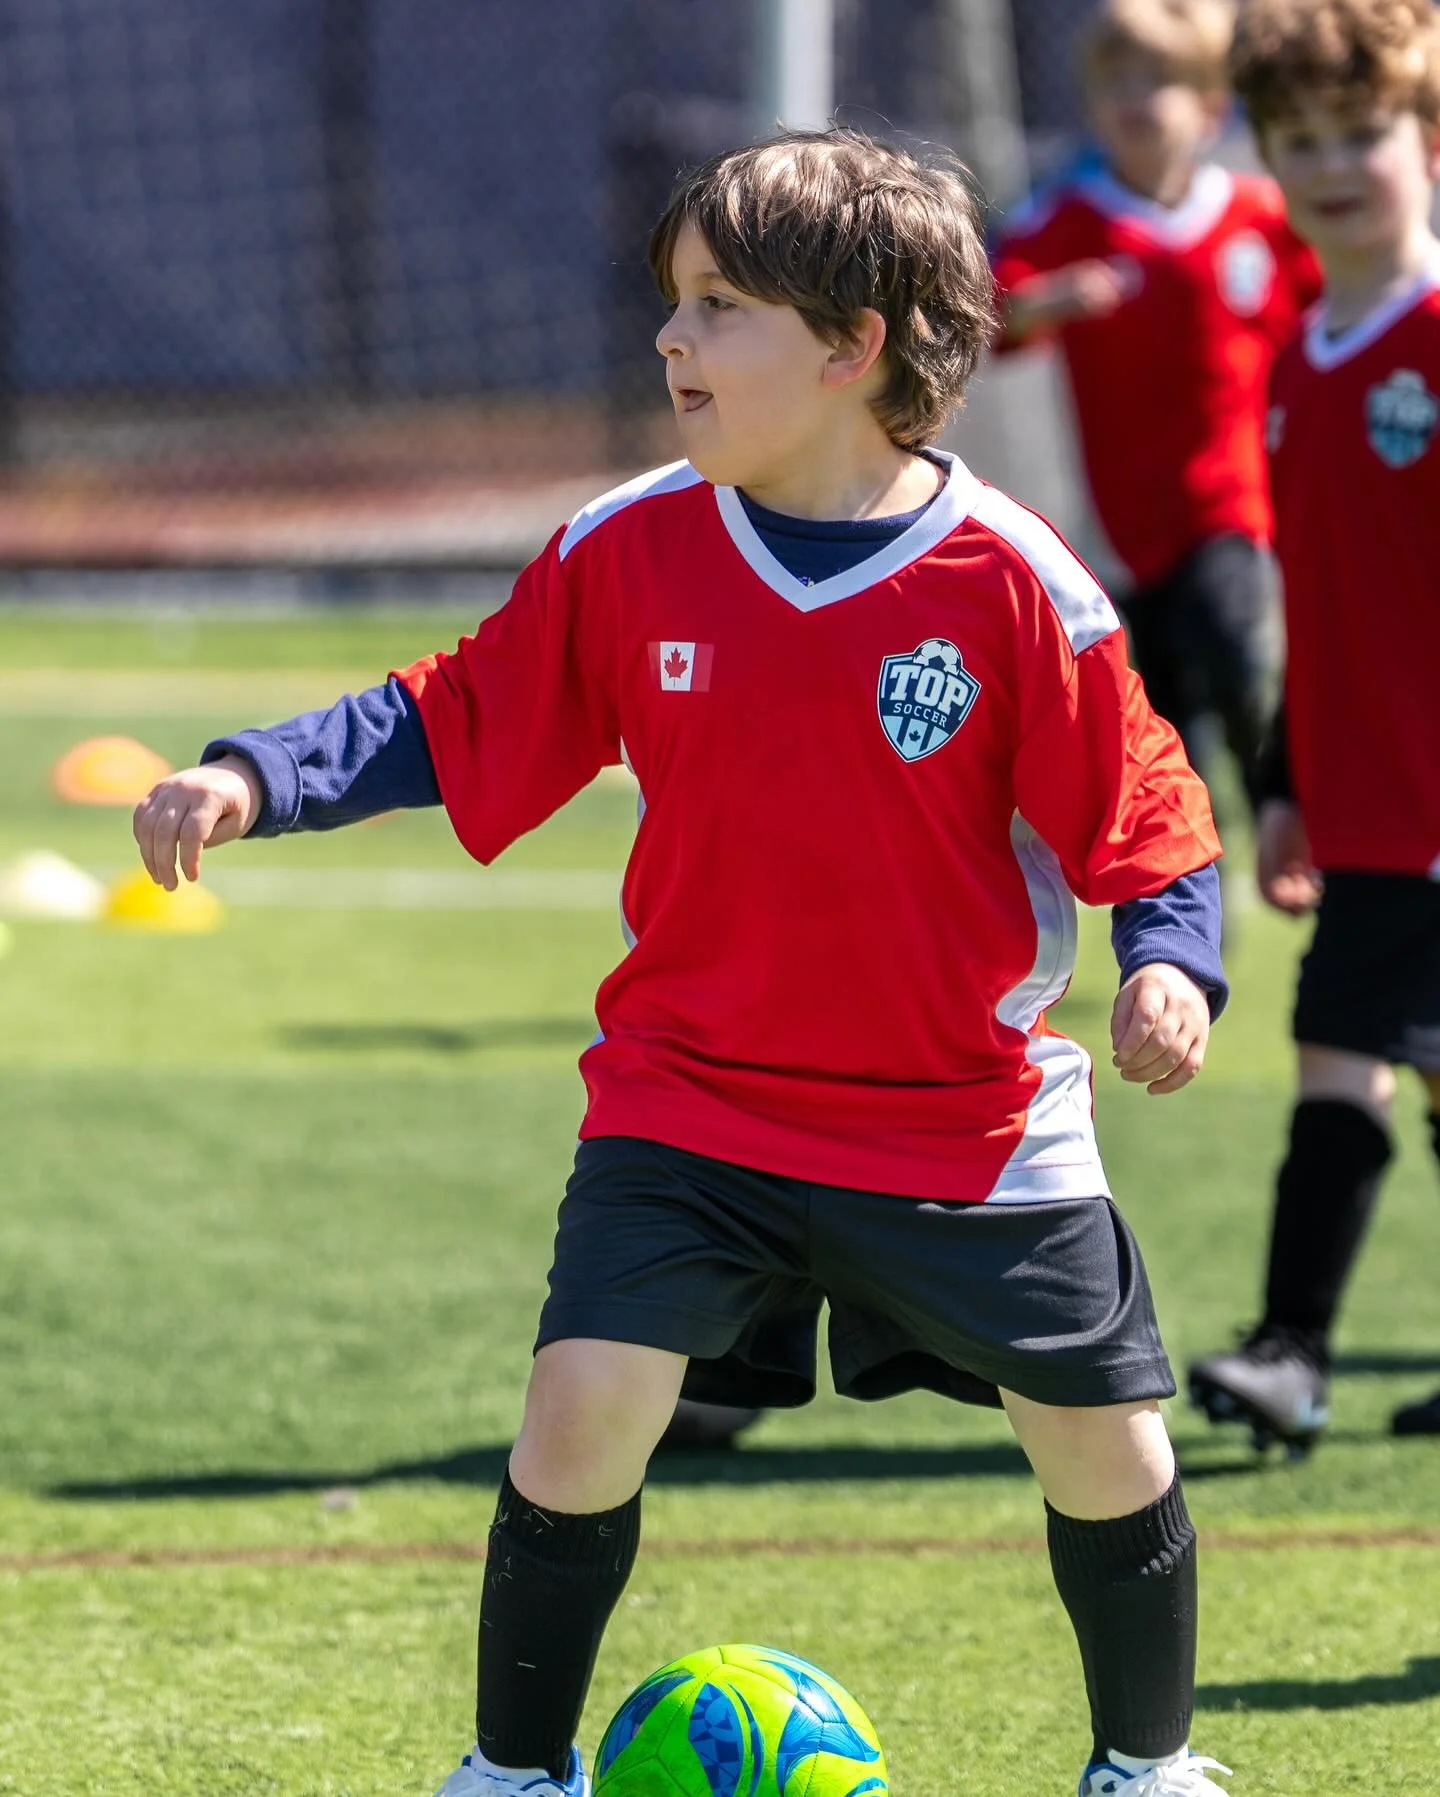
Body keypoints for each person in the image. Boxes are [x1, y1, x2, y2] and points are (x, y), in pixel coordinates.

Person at [134, 130, 1234, 1797]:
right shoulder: (629, 545)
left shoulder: (1014, 584)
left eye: (718, 307)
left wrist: (1174, 960)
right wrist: (255, 775)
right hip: (691, 1098)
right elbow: (457, 707)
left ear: (854, 346)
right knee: (576, 1417)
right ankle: (515, 1769)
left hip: (962, 1114)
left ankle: (1147, 1765)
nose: (670, 340)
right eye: (673, 303)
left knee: (1108, 1443)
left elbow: (1145, 804)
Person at [1187, 0, 1440, 1453]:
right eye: (1302, 141)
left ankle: (1291, 1353)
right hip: (1366, 793)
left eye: (1364, 133)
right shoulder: (1299, 354)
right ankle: (1298, 1352)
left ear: (1426, 140)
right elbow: (1314, 600)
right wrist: (1286, 780)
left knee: (1340, 1046)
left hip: (1432, 797)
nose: (1335, 163)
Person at [991, 0, 1319, 824]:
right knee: (1169, 726)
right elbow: (990, 310)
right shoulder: (1071, 220)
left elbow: (1335, 309)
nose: (1137, 100)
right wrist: (1046, 304)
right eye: (1118, 83)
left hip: (1234, 505)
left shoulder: (1260, 219)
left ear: (1213, 107)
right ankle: (1200, 888)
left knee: (1240, 652)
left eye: (1161, 81)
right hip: (1127, 526)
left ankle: (1284, 800)